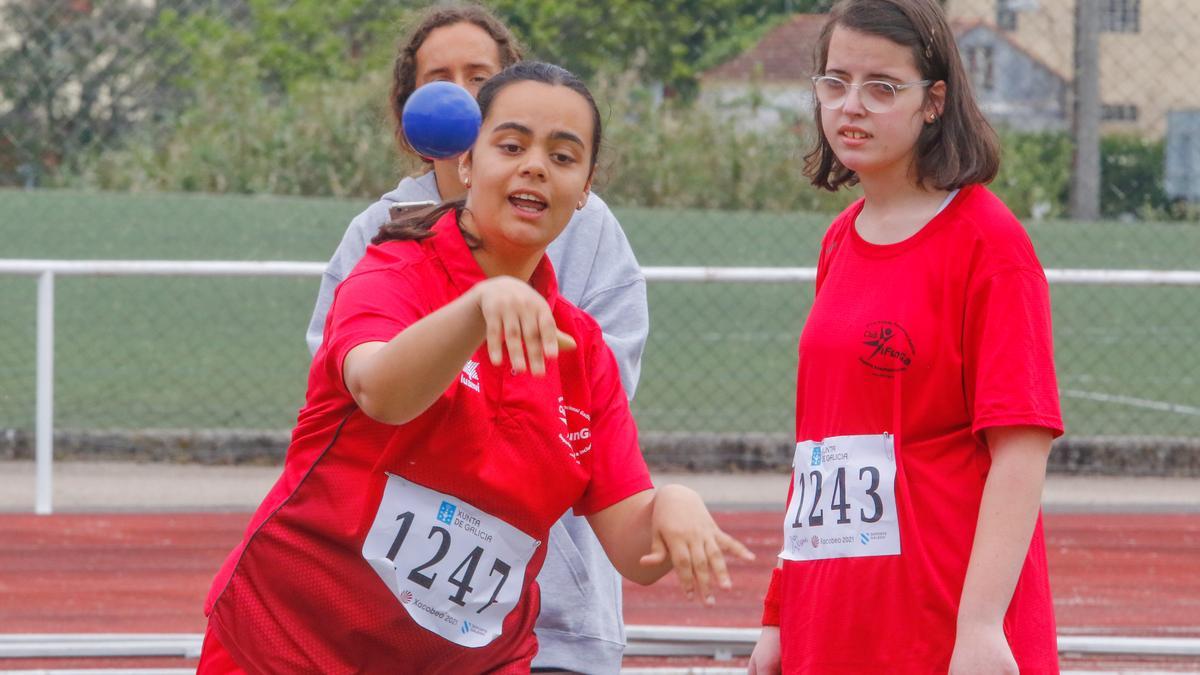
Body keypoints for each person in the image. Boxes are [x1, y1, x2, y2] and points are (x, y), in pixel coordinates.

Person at [198, 61, 752, 674]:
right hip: (290, 647)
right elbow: (379, 390)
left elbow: (634, 552)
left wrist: (671, 506)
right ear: (466, 162)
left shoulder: (582, 349)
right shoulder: (394, 268)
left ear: (586, 188)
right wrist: (476, 309)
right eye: (511, 145)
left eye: (564, 157)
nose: (536, 166)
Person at [305, 9, 648, 672]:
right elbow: (354, 385)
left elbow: (599, 419)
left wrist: (669, 511)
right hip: (366, 612)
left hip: (547, 612)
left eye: (476, 77)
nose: (455, 96)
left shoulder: (590, 234)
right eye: (439, 79)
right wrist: (470, 321)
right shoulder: (384, 237)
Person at [747, 1, 1063, 673]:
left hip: (941, 621)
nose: (850, 106)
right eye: (835, 83)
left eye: (881, 87)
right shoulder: (839, 240)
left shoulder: (990, 243)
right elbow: (819, 454)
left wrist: (979, 624)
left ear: (933, 101)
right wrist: (779, 611)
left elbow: (1020, 451)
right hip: (835, 615)